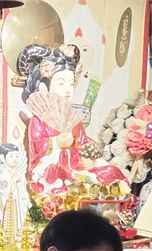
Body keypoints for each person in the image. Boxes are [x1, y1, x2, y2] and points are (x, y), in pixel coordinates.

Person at [19, 43, 129, 197]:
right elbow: (36, 151)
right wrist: (55, 143)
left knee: (112, 172)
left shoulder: (74, 119)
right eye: (61, 83)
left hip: (77, 167)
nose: (67, 89)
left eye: (71, 84)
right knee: (60, 178)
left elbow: (83, 146)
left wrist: (88, 159)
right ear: (45, 88)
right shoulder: (39, 120)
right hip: (54, 170)